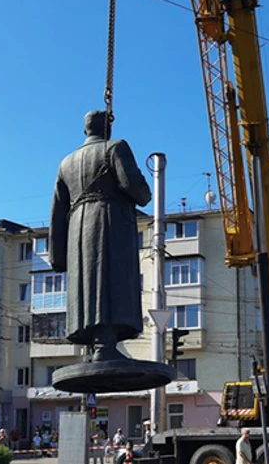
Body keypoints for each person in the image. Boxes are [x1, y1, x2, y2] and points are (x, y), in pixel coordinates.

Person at [49, 110, 152, 359]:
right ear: (108, 129)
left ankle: (97, 343)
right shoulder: (116, 147)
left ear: (85, 130)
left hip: (77, 228)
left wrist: (58, 256)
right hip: (110, 221)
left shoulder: (66, 163)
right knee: (111, 279)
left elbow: (57, 212)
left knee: (88, 281)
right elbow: (138, 191)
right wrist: (144, 191)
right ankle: (105, 343)